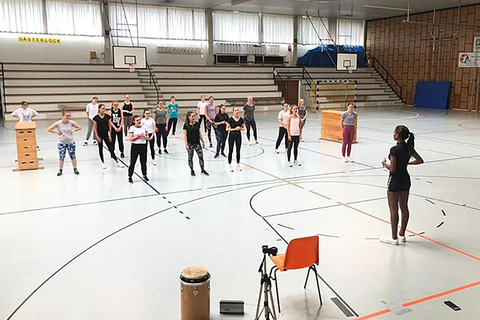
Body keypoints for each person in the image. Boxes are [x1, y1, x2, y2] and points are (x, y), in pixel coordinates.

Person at [380, 125, 424, 245]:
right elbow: (420, 160)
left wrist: (384, 163)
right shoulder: (409, 148)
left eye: (394, 132)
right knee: (404, 207)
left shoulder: (394, 150)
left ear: (397, 135)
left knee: (394, 209)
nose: (393, 133)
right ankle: (402, 234)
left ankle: (394, 238)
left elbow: (393, 169)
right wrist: (406, 163)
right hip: (405, 179)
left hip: (395, 180)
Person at [47, 109, 81, 176]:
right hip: (61, 143)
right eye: (67, 115)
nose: (68, 117)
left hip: (71, 142)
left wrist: (73, 130)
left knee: (73, 156)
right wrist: (57, 132)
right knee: (61, 156)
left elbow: (79, 127)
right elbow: (49, 129)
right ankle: (60, 169)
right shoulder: (58, 123)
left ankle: (75, 168)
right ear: (63, 116)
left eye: (69, 116)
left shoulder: (71, 122)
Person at [93, 104, 122, 169]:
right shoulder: (96, 118)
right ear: (99, 109)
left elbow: (109, 126)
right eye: (102, 108)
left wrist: (110, 135)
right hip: (99, 134)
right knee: (100, 149)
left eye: (104, 108)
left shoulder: (107, 116)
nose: (104, 110)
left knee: (111, 148)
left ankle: (117, 161)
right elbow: (94, 127)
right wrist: (97, 136)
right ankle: (102, 162)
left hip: (106, 134)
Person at [183, 111, 209, 177]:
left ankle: (202, 169)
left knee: (201, 157)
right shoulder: (186, 125)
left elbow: (199, 133)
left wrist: (203, 141)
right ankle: (192, 170)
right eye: (192, 116)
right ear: (188, 117)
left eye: (194, 116)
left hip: (197, 143)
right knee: (190, 158)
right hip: (190, 144)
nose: (194, 117)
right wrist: (186, 144)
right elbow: (185, 136)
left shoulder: (197, 124)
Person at [128, 115, 151, 183]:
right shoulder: (132, 128)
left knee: (143, 161)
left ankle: (144, 174)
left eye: (139, 120)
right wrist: (138, 136)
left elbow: (147, 137)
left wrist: (146, 137)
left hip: (143, 146)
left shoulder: (144, 127)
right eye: (137, 120)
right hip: (135, 146)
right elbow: (131, 139)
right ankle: (130, 176)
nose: (139, 121)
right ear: (134, 121)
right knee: (133, 162)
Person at [226, 106, 245, 172]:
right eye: (235, 110)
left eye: (238, 110)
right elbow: (227, 128)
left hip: (238, 136)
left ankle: (238, 164)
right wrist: (234, 129)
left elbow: (243, 128)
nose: (237, 111)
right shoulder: (230, 119)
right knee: (231, 150)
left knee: (238, 150)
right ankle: (229, 164)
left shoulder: (241, 119)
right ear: (233, 112)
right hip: (231, 135)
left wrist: (240, 128)